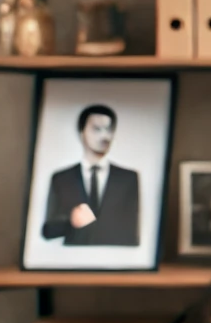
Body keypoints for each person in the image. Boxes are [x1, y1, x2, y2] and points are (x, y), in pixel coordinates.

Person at [40, 104, 141, 247]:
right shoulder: (61, 178)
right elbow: (48, 230)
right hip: (73, 260)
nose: (104, 136)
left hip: (116, 260)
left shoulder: (128, 178)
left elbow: (133, 231)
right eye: (97, 129)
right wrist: (70, 221)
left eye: (109, 129)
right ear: (82, 133)